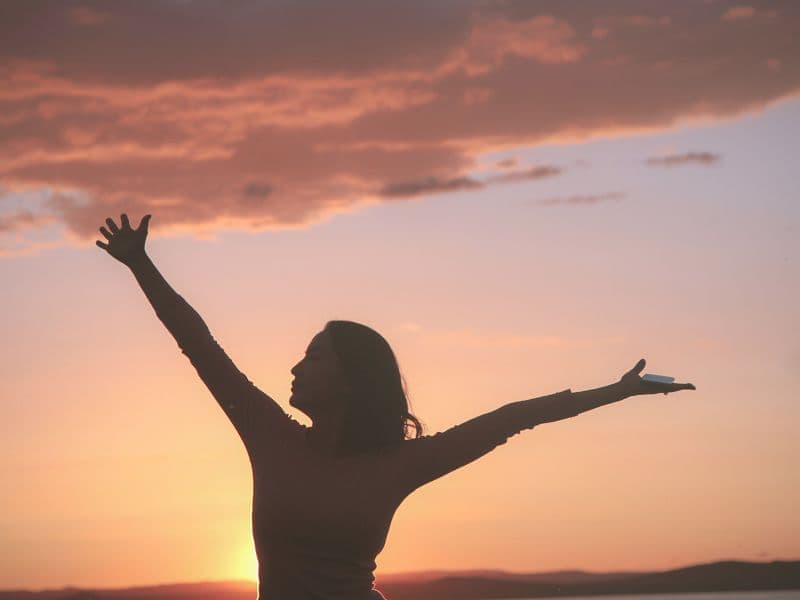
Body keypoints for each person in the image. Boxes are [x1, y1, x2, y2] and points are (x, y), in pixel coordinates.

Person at [96, 213, 696, 600]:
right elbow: (200, 345)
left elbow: (514, 417)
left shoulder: (396, 464)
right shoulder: (269, 434)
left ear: (353, 381)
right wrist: (141, 264)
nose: (296, 368)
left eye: (315, 358)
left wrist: (617, 391)